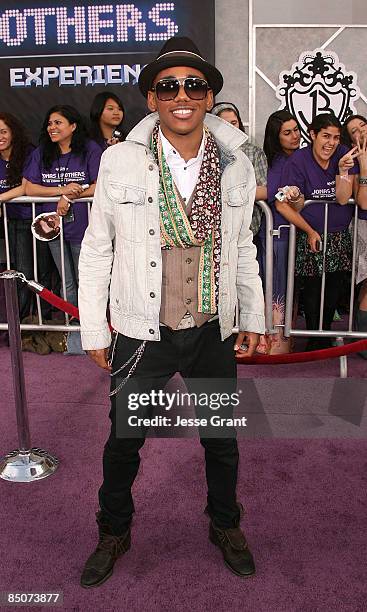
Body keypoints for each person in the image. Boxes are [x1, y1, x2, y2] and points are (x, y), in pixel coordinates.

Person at [78, 36, 265, 587]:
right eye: (167, 86)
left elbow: (243, 248)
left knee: (221, 441)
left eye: (193, 85)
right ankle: (113, 530)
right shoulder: (120, 161)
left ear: (209, 97)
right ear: (152, 98)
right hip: (142, 330)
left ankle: (224, 524)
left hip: (212, 327)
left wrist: (251, 315)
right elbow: (97, 249)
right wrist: (94, 324)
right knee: (123, 441)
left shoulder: (234, 167)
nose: (181, 95)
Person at [277, 113, 358, 351]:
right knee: (312, 287)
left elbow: (343, 199)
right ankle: (313, 337)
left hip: (338, 233)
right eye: (325, 136)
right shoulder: (299, 160)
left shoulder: (344, 154)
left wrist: (343, 170)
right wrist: (310, 230)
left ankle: (326, 335)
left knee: (333, 287)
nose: (331, 142)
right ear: (312, 135)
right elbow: (286, 202)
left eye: (335, 137)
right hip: (310, 232)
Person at [25, 105, 103, 309]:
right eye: (49, 123)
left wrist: (69, 196)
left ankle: (91, 327)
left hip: (83, 228)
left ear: (73, 126)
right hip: (53, 228)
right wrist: (62, 190)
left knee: (85, 279)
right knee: (66, 280)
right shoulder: (42, 152)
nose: (52, 127)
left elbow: (99, 186)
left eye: (58, 122)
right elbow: (29, 187)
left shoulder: (90, 149)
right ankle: (71, 326)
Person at [257, 110, 302, 354]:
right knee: (273, 283)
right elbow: (274, 190)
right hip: (275, 233)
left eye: (296, 130)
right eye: (287, 132)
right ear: (276, 137)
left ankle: (285, 339)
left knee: (289, 285)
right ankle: (272, 343)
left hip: (295, 233)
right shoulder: (275, 161)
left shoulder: (303, 158)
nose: (294, 136)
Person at [211, 101, 267, 235]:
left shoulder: (253, 152)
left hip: (246, 227)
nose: (232, 128)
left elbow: (264, 190)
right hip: (213, 228)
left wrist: (228, 194)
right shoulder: (204, 150)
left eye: (234, 123)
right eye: (225, 124)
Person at [0, 112, 35, 320]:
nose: (0, 136)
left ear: (13, 132)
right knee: (12, 271)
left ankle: (20, 323)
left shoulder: (27, 153)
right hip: (8, 221)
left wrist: (0, 198)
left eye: (3, 131)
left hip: (28, 220)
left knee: (24, 273)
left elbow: (25, 188)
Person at [341, 114, 367, 357]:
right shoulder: (355, 160)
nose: (361, 131)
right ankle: (362, 341)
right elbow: (363, 201)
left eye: (363, 126)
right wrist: (365, 162)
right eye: (354, 131)